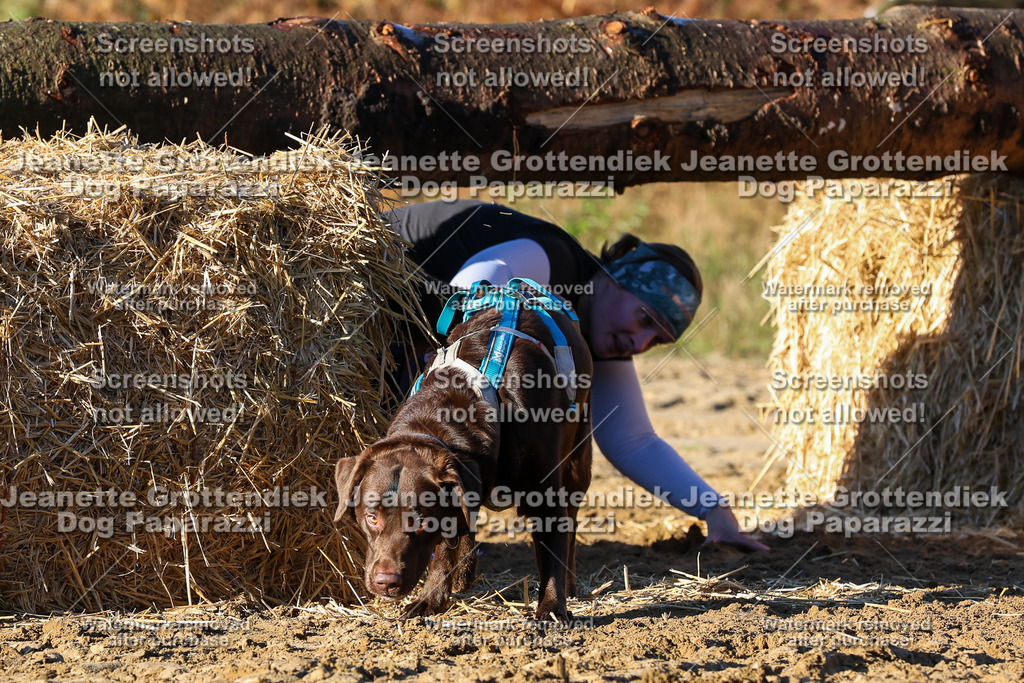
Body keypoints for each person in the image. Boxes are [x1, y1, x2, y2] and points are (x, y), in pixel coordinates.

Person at [385, 199, 768, 553]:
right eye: (643, 319)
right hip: (371, 270)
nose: (638, 342)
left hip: (405, 334)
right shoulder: (556, 259)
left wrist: (714, 510)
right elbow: (486, 274)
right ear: (613, 278)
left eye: (656, 341)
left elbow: (634, 440)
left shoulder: (592, 336)